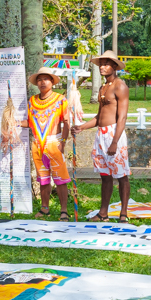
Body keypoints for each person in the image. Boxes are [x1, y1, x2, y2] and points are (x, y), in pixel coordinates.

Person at [79, 49, 131, 221]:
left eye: (106, 64)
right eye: (101, 63)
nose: (102, 66)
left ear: (114, 66)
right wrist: (82, 127)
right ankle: (103, 213)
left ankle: (123, 213)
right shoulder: (103, 87)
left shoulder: (120, 86)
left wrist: (115, 141)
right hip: (101, 134)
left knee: (121, 175)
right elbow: (99, 117)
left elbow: (122, 117)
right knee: (105, 175)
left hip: (114, 134)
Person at [28, 68, 72, 219]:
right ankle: (44, 207)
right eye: (39, 80)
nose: (42, 82)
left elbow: (66, 122)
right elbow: (29, 122)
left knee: (60, 179)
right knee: (43, 178)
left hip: (54, 142)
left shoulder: (60, 99)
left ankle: (64, 210)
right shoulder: (32, 101)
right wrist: (12, 122)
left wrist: (63, 142)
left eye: (46, 79)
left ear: (52, 82)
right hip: (37, 144)